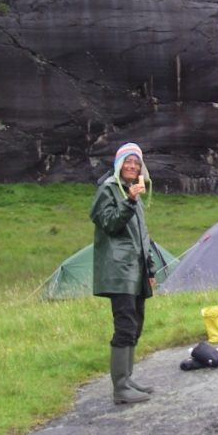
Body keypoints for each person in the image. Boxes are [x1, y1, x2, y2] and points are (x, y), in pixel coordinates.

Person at [90, 142, 157, 405]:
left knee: (136, 324)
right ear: (118, 165)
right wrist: (129, 200)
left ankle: (127, 379)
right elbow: (109, 223)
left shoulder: (134, 192)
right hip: (119, 270)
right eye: (128, 162)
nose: (132, 166)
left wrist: (150, 268)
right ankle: (120, 388)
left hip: (136, 270)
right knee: (125, 325)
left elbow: (142, 235)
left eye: (136, 163)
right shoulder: (108, 190)